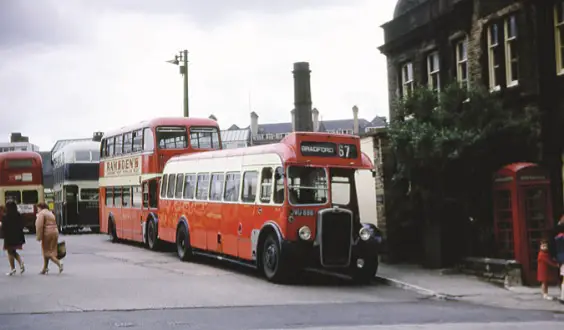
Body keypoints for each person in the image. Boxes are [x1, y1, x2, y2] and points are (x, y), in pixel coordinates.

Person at [35, 202, 63, 274]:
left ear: (40, 207)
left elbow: (39, 226)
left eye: (37, 208)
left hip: (47, 233)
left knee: (47, 252)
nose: (37, 210)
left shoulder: (41, 214)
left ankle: (59, 263)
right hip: (55, 232)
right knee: (51, 250)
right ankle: (45, 268)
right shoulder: (50, 213)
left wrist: (39, 236)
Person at [1, 200, 26, 276]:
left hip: (9, 237)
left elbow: (3, 227)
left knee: (10, 252)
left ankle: (13, 269)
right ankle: (21, 263)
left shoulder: (5, 216)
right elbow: (22, 225)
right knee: (13, 252)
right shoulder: (18, 215)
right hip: (18, 236)